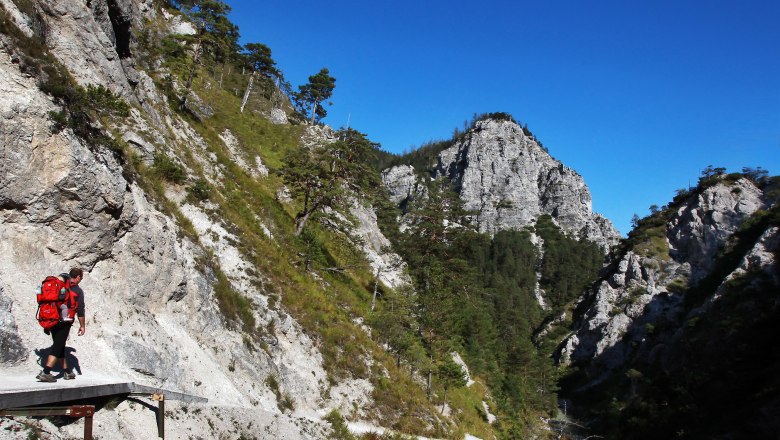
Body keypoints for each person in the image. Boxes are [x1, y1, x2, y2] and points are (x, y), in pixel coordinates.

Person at [36, 268, 86, 382]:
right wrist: (82, 326)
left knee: (60, 345)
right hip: (65, 321)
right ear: (78, 277)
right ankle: (46, 372)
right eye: (81, 278)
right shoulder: (77, 290)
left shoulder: (60, 285)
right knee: (58, 345)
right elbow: (80, 310)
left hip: (52, 317)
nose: (80, 280)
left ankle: (67, 371)